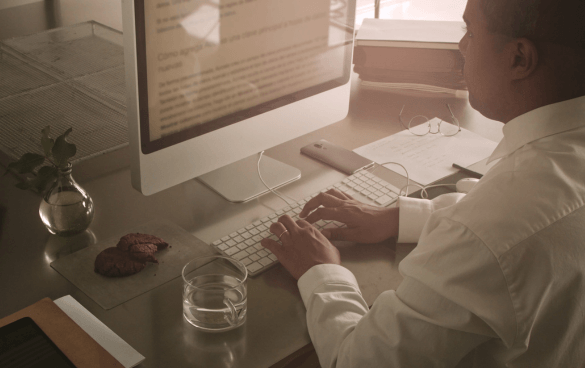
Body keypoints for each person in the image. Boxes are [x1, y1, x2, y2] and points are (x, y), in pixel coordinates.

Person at [260, 0, 585, 367]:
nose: (462, 47)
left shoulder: (492, 228)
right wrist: (403, 218)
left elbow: (357, 361)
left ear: (519, 59)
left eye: (470, 32)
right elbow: (519, 223)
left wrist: (320, 271)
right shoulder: (556, 160)